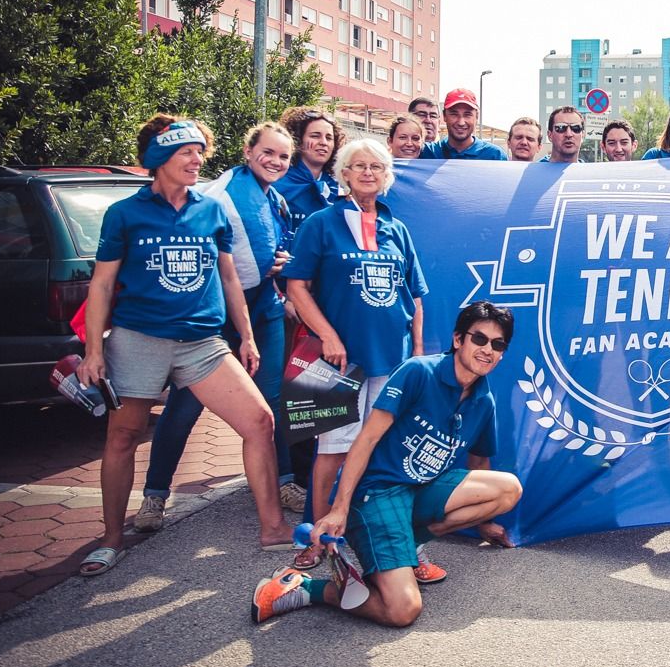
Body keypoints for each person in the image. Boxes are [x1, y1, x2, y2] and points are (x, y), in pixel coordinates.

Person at [75, 117, 293, 575]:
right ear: (159, 160)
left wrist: (248, 335)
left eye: (200, 152)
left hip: (202, 343)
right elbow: (102, 284)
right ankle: (112, 540)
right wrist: (94, 351)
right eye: (185, 153)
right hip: (139, 339)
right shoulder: (125, 214)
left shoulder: (210, 211)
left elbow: (230, 277)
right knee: (122, 437)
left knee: (259, 421)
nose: (197, 160)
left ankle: (273, 529)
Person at [252, 303, 523, 628]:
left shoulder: (483, 400)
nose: (487, 350)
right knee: (402, 610)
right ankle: (306, 587)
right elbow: (366, 439)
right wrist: (338, 509)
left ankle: (409, 546)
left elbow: (480, 463)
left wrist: (483, 524)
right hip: (377, 493)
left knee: (508, 489)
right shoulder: (419, 372)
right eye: (479, 339)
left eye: (497, 344)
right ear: (457, 340)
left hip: (420, 490)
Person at [135, 122, 301, 532]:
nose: (276, 161)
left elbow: (271, 249)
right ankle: (155, 496)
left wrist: (278, 263)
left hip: (264, 310)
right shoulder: (219, 193)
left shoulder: (274, 198)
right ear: (248, 151)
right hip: (218, 317)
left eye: (284, 156)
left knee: (272, 399)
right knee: (185, 405)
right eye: (268, 152)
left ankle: (283, 481)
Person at [282, 139, 433, 579]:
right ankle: (315, 535)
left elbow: (415, 297)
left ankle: (372, 532)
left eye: (376, 167)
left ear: (386, 177)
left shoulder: (396, 228)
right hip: (333, 362)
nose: (368, 172)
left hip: (391, 360)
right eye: (359, 166)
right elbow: (297, 288)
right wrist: (327, 335)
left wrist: (418, 355)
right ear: (343, 173)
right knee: (332, 448)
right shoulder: (321, 223)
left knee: (383, 449)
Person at [277, 106, 340, 236]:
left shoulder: (340, 187)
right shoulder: (278, 181)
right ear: (298, 141)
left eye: (329, 138)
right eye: (315, 136)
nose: (323, 143)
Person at [420, 89, 507, 160]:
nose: (461, 122)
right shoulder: (427, 152)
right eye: (454, 114)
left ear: (476, 117)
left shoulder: (495, 156)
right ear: (444, 116)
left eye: (467, 115)